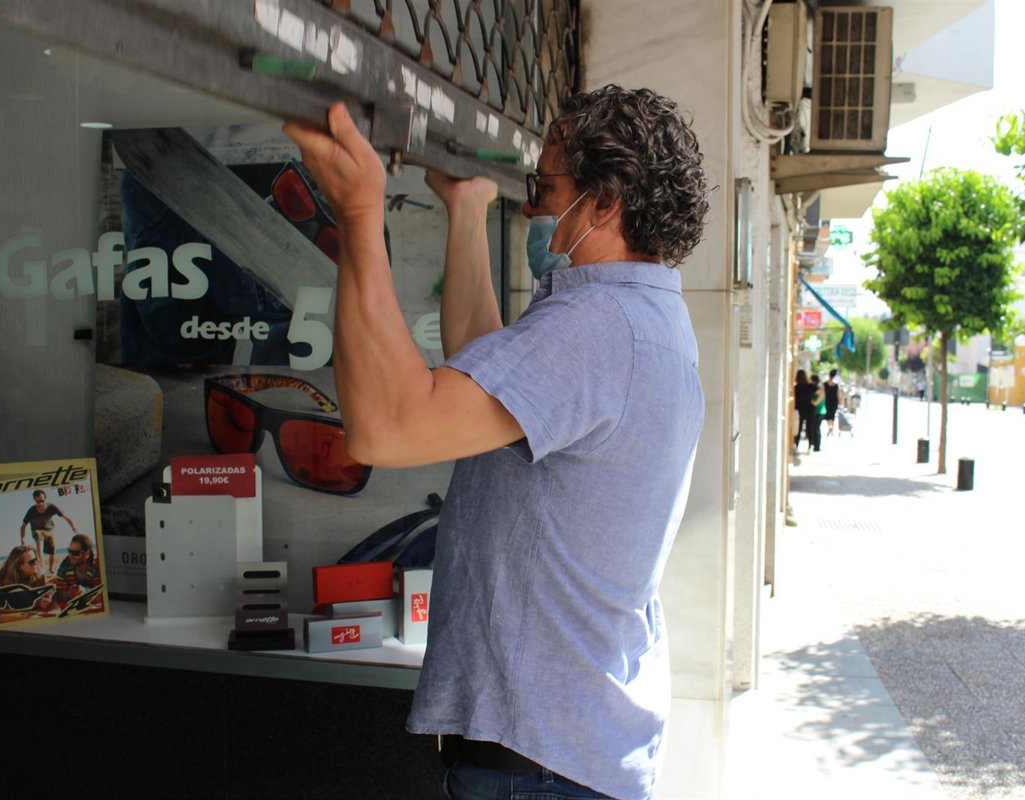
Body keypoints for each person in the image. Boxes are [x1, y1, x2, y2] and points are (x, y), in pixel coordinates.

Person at [284, 84, 709, 800]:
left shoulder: (597, 328)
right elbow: (485, 381)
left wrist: (359, 214)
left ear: (605, 202)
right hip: (566, 753)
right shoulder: (642, 319)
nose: (535, 208)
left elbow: (387, 427)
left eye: (544, 187)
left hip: (538, 767)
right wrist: (466, 210)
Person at [19, 489, 77, 576]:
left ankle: (51, 569)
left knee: (53, 548)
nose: (40, 504)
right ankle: (41, 567)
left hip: (49, 531)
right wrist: (22, 539)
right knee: (38, 536)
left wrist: (73, 527)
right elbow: (23, 526)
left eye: (42, 501)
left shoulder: (52, 507)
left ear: (45, 499)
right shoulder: (31, 511)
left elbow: (66, 518)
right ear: (35, 501)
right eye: (38, 502)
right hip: (37, 530)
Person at [0, 545, 57, 612]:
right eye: (32, 562)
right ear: (19, 566)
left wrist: (47, 596)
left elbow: (46, 594)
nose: (36, 563)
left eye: (36, 559)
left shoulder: (38, 575)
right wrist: (38, 604)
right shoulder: (5, 580)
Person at [53, 533, 101, 605]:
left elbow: (101, 594)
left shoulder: (96, 566)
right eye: (69, 551)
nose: (70, 556)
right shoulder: (65, 566)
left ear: (86, 554)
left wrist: (84, 592)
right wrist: (69, 594)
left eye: (75, 553)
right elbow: (58, 594)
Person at [793, 369, 816, 452]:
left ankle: (796, 445)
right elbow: (821, 392)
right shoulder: (810, 386)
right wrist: (815, 402)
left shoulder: (796, 387)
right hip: (810, 409)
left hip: (800, 409)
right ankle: (810, 446)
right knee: (810, 428)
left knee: (798, 428)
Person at [809, 373, 825, 451]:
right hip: (819, 411)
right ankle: (816, 445)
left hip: (819, 412)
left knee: (816, 429)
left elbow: (816, 403)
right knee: (815, 428)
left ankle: (817, 446)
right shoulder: (818, 390)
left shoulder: (819, 391)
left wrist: (809, 400)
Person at [823, 369, 840, 436]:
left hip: (827, 401)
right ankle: (831, 427)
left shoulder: (825, 384)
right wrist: (840, 402)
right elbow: (839, 395)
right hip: (834, 402)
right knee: (832, 415)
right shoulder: (836, 385)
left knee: (828, 415)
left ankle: (830, 427)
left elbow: (822, 393)